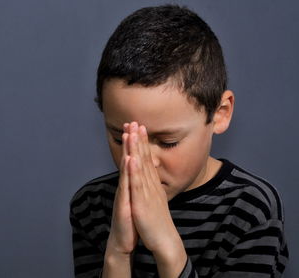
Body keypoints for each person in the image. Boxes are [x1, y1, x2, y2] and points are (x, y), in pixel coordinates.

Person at [69, 5, 289, 278]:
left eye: (168, 141)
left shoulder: (249, 208)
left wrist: (168, 248)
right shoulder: (91, 206)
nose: (143, 162)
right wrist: (117, 252)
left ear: (219, 115)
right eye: (120, 138)